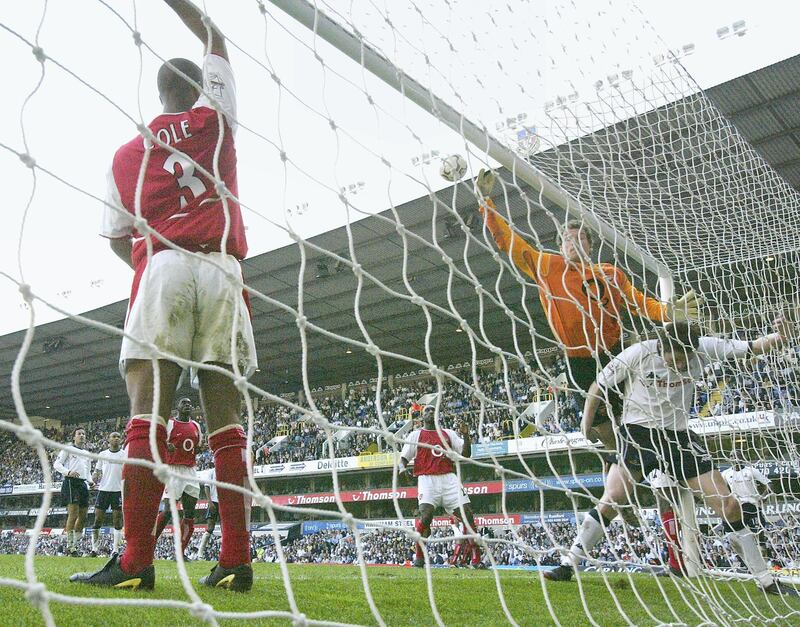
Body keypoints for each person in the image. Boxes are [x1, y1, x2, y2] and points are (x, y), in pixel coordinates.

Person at [71, 0, 256, 592]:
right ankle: (236, 559)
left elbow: (117, 242)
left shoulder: (127, 155)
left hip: (164, 266)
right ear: (203, 88)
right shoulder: (217, 120)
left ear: (158, 95)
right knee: (226, 419)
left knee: (148, 414)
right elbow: (217, 37)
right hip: (223, 266)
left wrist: (156, 265)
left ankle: (135, 563)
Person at [544, 320, 798, 597]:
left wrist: (780, 337)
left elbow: (751, 348)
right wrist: (586, 424)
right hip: (639, 434)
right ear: (661, 348)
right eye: (674, 359)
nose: (679, 365)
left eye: (685, 359)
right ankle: (568, 564)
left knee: (729, 505)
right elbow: (598, 386)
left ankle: (766, 581)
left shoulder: (702, 348)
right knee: (613, 498)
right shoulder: (639, 352)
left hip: (678, 437)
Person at [399, 398, 483, 569]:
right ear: (422, 416)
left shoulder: (448, 433)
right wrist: (402, 470)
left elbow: (466, 454)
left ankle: (476, 558)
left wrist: (466, 435)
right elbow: (403, 459)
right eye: (428, 411)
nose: (431, 413)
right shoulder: (416, 435)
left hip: (449, 479)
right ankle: (419, 557)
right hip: (427, 479)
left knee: (467, 515)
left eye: (433, 411)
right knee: (426, 516)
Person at [153, 398, 202, 559]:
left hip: (191, 472)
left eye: (190, 403)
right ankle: (150, 544)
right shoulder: (170, 424)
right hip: (173, 470)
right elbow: (156, 441)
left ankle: (180, 553)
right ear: (177, 407)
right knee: (167, 511)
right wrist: (165, 446)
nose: (188, 404)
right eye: (184, 403)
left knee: (189, 513)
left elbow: (198, 447)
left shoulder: (196, 426)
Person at [54, 428, 93, 557]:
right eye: (79, 434)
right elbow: (57, 464)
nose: (82, 435)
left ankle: (75, 545)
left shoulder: (87, 453)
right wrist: (68, 472)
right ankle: (70, 547)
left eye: (83, 433)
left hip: (83, 484)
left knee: (83, 516)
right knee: (73, 514)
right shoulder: (68, 449)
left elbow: (87, 472)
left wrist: (91, 481)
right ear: (74, 437)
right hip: (71, 482)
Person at [722, 458, 773, 548]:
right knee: (736, 534)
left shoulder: (751, 471)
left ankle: (764, 554)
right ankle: (744, 557)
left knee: (759, 534)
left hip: (752, 506)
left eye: (737, 456)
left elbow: (769, 484)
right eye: (731, 456)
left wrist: (763, 497)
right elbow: (720, 488)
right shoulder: (726, 473)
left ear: (742, 457)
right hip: (737, 507)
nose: (734, 458)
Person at [90, 432, 125, 556]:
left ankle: (115, 550)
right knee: (98, 519)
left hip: (118, 491)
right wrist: (94, 478)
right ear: (108, 439)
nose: (116, 438)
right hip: (103, 490)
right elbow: (97, 471)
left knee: (117, 521)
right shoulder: (103, 454)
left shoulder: (124, 455)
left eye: (118, 436)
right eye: (113, 436)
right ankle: (94, 549)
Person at [197, 465, 219, 560]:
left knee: (225, 528)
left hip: (223, 502)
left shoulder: (226, 471)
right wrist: (209, 502)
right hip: (213, 502)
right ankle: (200, 553)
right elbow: (207, 487)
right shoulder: (211, 472)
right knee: (210, 527)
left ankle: (225, 553)